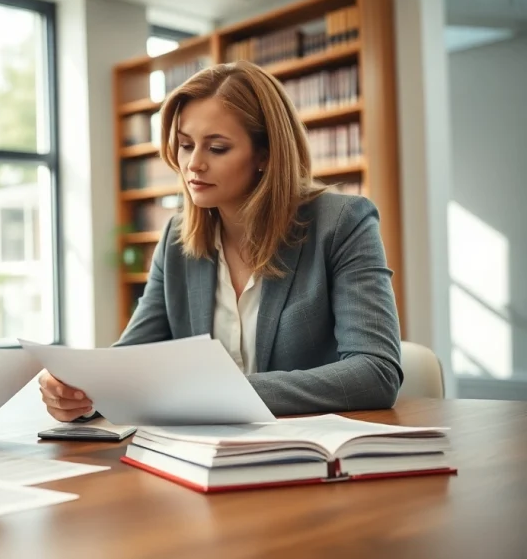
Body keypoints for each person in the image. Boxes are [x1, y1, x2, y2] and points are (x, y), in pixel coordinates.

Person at [40, 60, 402, 421]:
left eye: (217, 148)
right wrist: (79, 391)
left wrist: (222, 393)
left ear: (264, 154)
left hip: (311, 455)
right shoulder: (177, 241)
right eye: (185, 145)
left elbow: (375, 371)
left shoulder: (342, 223)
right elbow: (131, 359)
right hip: (201, 454)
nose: (193, 164)